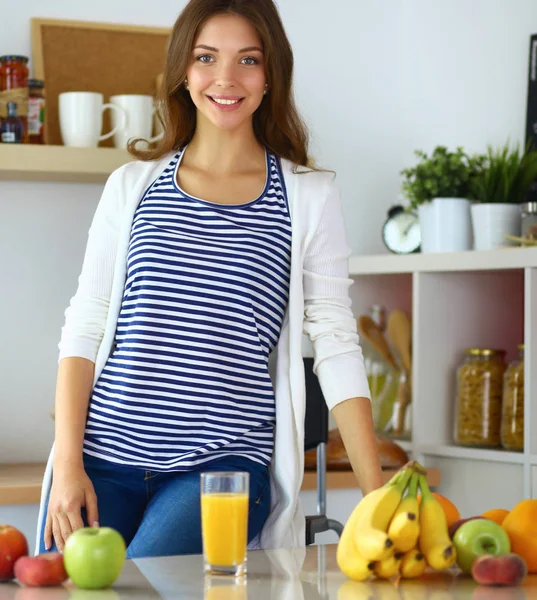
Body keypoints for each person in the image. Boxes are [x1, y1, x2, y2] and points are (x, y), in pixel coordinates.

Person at [35, 0, 383, 558]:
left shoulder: (308, 197)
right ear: (183, 72)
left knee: (145, 583)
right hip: (103, 460)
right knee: (62, 589)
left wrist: (377, 499)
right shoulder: (132, 186)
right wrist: (69, 465)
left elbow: (337, 342)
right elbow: (85, 325)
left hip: (220, 471)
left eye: (248, 59)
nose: (226, 78)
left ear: (271, 76)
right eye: (206, 57)